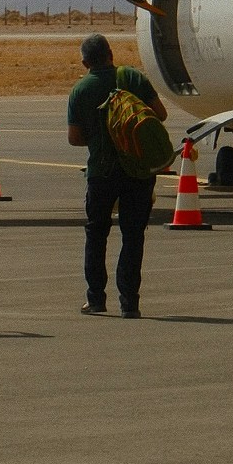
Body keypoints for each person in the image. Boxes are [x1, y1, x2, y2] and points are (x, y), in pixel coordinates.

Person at [67, 33, 166, 318]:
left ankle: (96, 299)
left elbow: (74, 138)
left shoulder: (80, 90)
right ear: (111, 54)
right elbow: (160, 114)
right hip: (138, 169)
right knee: (133, 235)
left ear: (85, 61)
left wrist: (103, 136)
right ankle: (129, 302)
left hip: (102, 172)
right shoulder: (133, 78)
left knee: (96, 233)